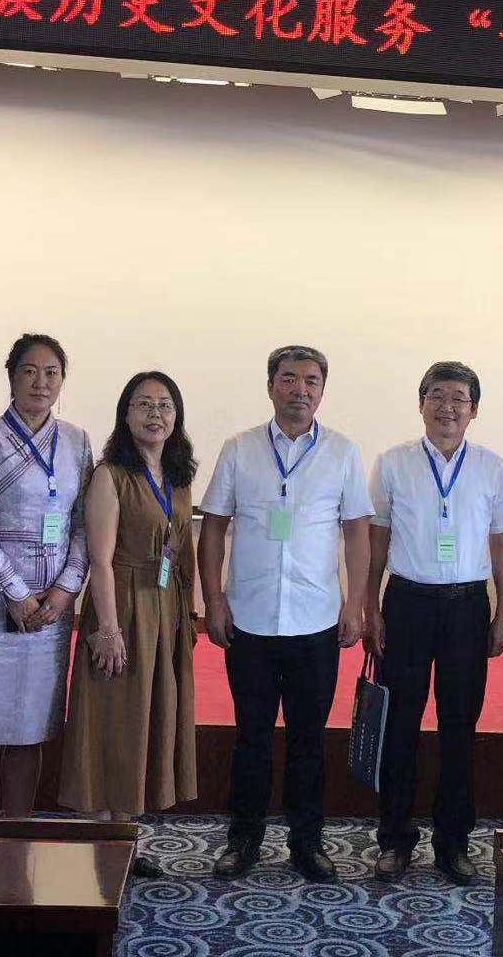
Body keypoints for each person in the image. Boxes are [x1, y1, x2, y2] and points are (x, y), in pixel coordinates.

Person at [199, 345, 372, 883]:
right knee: (250, 737)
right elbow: (213, 528)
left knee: (308, 740)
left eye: (311, 381)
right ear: (271, 385)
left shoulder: (342, 452)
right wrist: (213, 600)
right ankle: (243, 839)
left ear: (322, 390)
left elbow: (356, 532)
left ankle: (307, 842)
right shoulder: (239, 448)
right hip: (249, 619)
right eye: (290, 378)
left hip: (315, 621)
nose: (301, 389)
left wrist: (354, 602)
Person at [365, 361, 503, 884]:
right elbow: (376, 542)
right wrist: (370, 606)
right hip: (407, 604)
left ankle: (453, 842)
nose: (447, 407)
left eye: (459, 398)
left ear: (473, 410)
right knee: (400, 726)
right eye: (437, 395)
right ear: (421, 404)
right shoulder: (392, 463)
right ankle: (394, 839)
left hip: (465, 608)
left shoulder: (492, 468)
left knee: (459, 728)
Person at [58, 371, 198, 874]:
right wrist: (108, 629)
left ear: (176, 416)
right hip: (120, 606)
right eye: (144, 403)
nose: (155, 414)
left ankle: (124, 842)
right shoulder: (110, 475)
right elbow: (100, 559)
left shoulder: (177, 477)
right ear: (125, 414)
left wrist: (186, 619)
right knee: (111, 720)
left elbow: (181, 551)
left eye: (165, 405)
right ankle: (98, 845)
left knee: (142, 721)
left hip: (163, 610)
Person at [0, 334, 94, 817]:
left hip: (51, 607)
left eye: (51, 373)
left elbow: (83, 524)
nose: (40, 382)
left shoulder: (76, 441)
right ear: (11, 377)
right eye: (29, 371)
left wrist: (66, 590)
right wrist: (13, 591)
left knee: (30, 731)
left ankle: (14, 833)